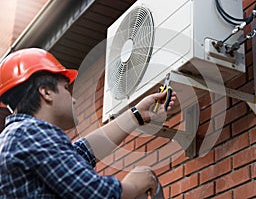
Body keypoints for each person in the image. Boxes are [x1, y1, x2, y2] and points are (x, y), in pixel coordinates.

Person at [0, 48, 176, 198]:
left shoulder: (19, 136)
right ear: (46, 92)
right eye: (66, 88)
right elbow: (94, 193)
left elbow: (81, 152)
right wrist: (135, 183)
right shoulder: (32, 133)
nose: (74, 100)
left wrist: (137, 115)